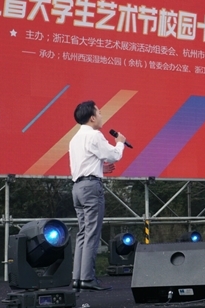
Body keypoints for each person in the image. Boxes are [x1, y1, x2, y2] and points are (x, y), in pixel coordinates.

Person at [69, 101, 126, 291]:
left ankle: (77, 278)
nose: (101, 116)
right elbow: (114, 155)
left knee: (83, 233)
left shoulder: (75, 139)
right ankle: (87, 278)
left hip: (77, 187)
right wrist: (120, 142)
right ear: (92, 118)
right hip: (91, 188)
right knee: (92, 233)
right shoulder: (94, 135)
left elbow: (85, 162)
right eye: (99, 112)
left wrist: (100, 168)